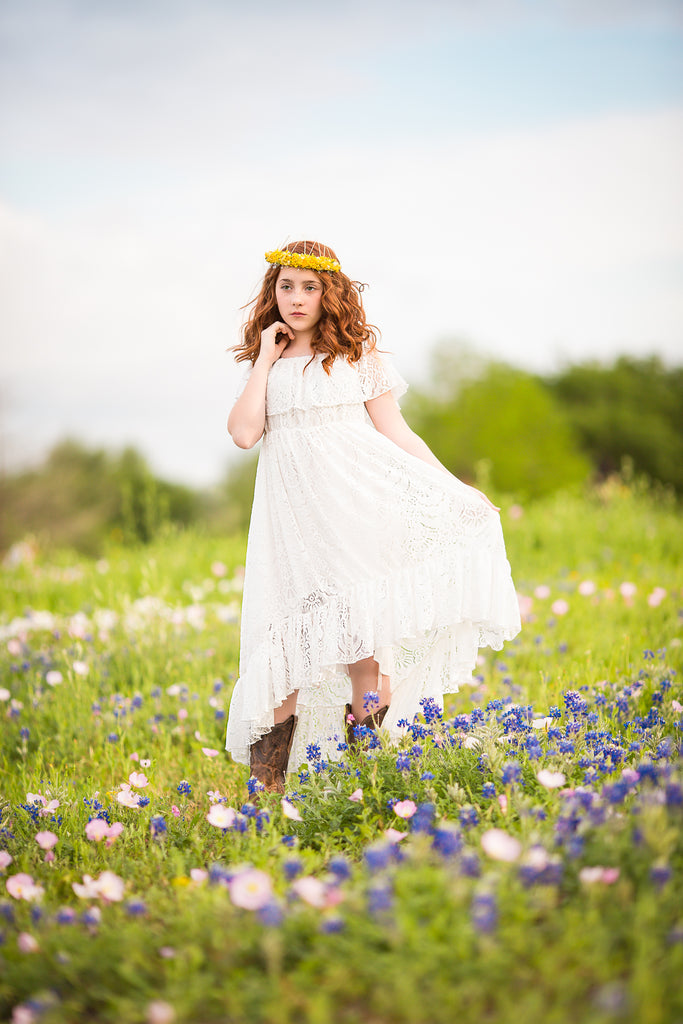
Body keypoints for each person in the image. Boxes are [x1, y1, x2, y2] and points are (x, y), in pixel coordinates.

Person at [224, 240, 521, 793]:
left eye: (309, 287)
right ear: (272, 292)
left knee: (363, 654)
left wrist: (455, 488)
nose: (296, 298)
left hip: (356, 516)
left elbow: (397, 432)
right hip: (291, 530)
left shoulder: (356, 356)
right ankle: (266, 797)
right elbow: (244, 434)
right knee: (284, 654)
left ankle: (367, 782)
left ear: (328, 292)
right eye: (285, 286)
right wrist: (265, 356)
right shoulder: (265, 366)